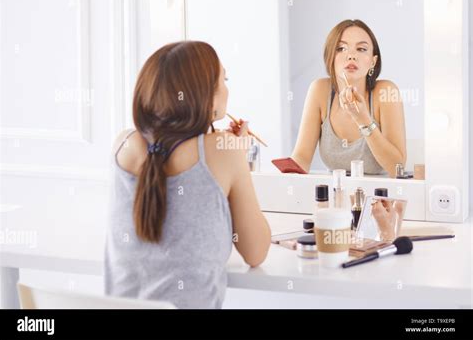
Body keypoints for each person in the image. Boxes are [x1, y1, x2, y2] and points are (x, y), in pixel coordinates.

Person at [104, 41, 271, 308]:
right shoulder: (222, 152)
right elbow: (256, 252)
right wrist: (235, 152)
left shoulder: (122, 145)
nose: (227, 88)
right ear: (207, 97)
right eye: (223, 79)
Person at [291, 19, 406, 177]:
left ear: (373, 61)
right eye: (341, 48)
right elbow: (301, 158)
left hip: (380, 198)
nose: (351, 56)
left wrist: (364, 120)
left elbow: (397, 167)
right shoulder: (319, 90)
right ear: (330, 56)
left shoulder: (385, 92)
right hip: (335, 195)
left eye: (361, 49)